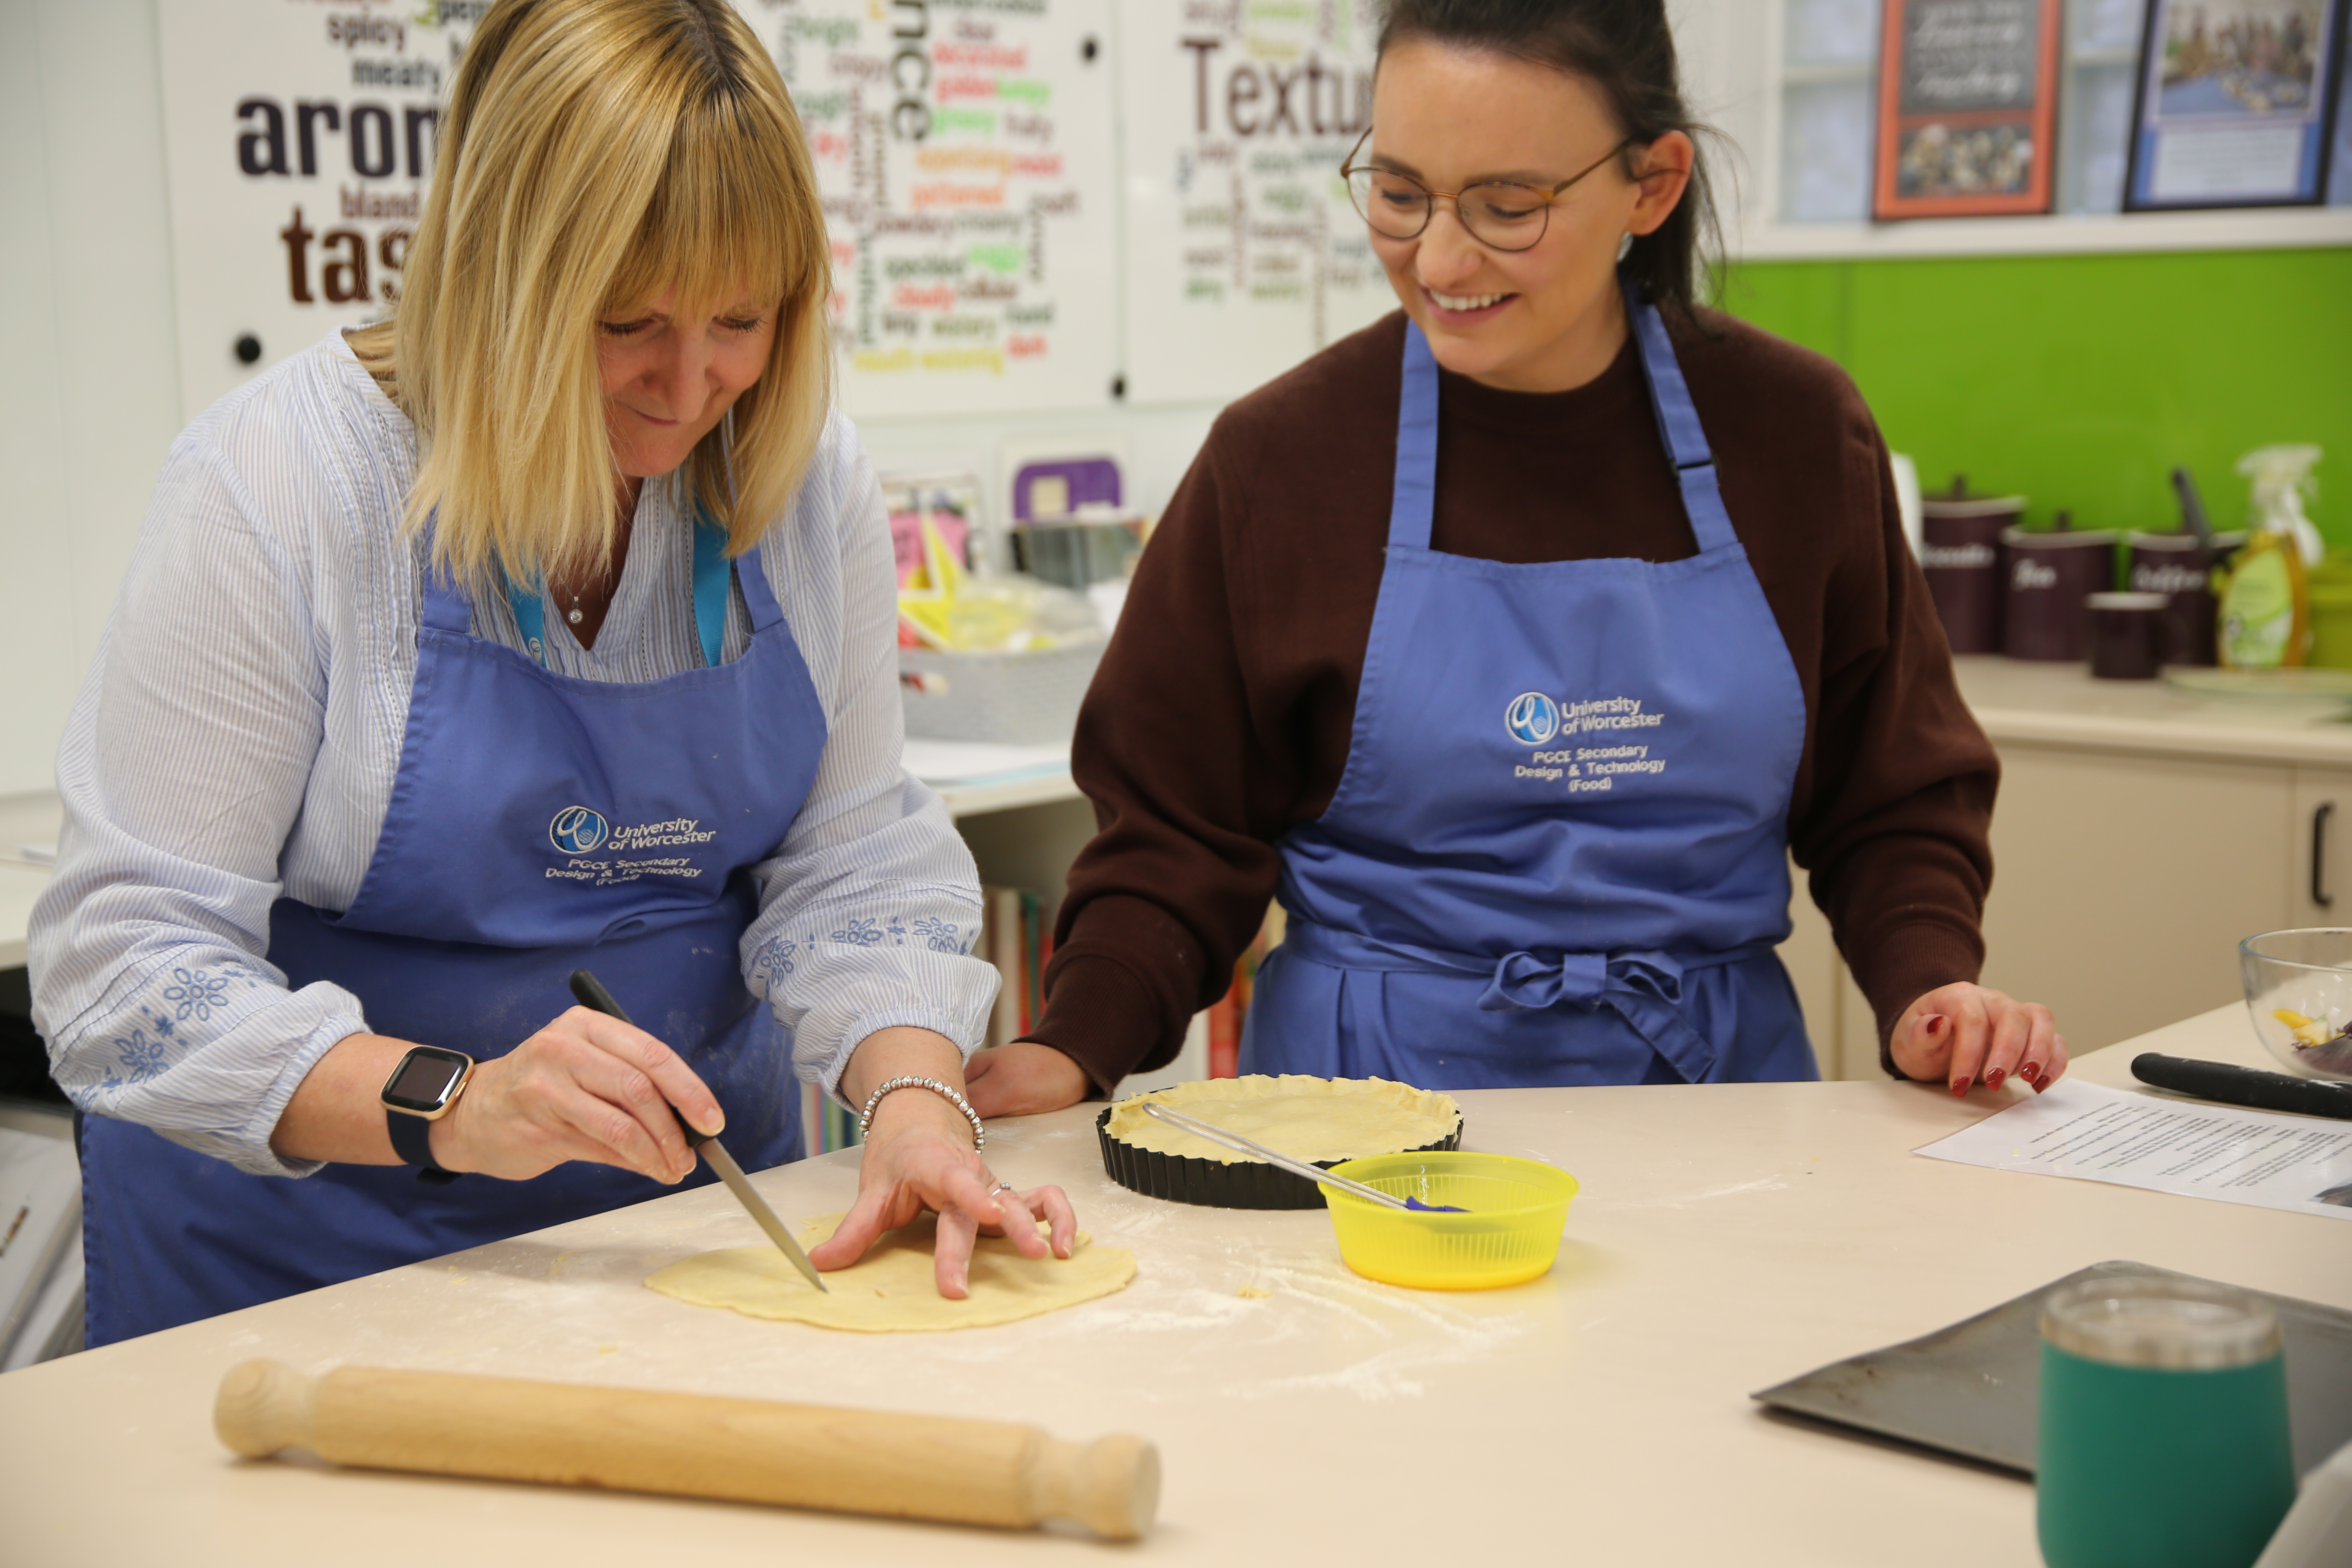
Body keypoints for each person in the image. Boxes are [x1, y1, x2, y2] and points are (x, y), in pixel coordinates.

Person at [31, 0, 1068, 1348]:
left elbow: (856, 865)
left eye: (741, 322)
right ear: (498, 276)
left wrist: (919, 1108)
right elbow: (123, 969)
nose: (689, 387)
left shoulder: (801, 480)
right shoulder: (281, 484)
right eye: (626, 319)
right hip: (293, 1284)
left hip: (691, 1242)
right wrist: (458, 1106)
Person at [963, 0, 2066, 1116]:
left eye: (1507, 206)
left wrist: (1934, 990)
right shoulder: (1281, 462)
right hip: (1360, 1132)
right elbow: (1172, 834)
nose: (1440, 257)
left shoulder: (1791, 432)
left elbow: (1893, 795)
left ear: (1653, 183)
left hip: (1722, 1117)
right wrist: (1075, 1046)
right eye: (1399, 194)